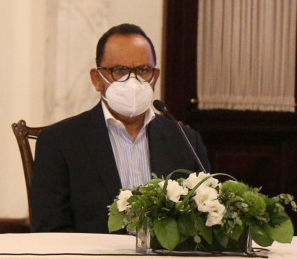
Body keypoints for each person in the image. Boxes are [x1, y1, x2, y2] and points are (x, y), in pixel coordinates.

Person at [29, 24, 210, 233]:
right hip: (92, 254)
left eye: (143, 70)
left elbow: (205, 222)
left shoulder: (185, 141)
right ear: (97, 79)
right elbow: (50, 231)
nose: (132, 81)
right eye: (120, 71)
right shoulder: (59, 142)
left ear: (155, 77)